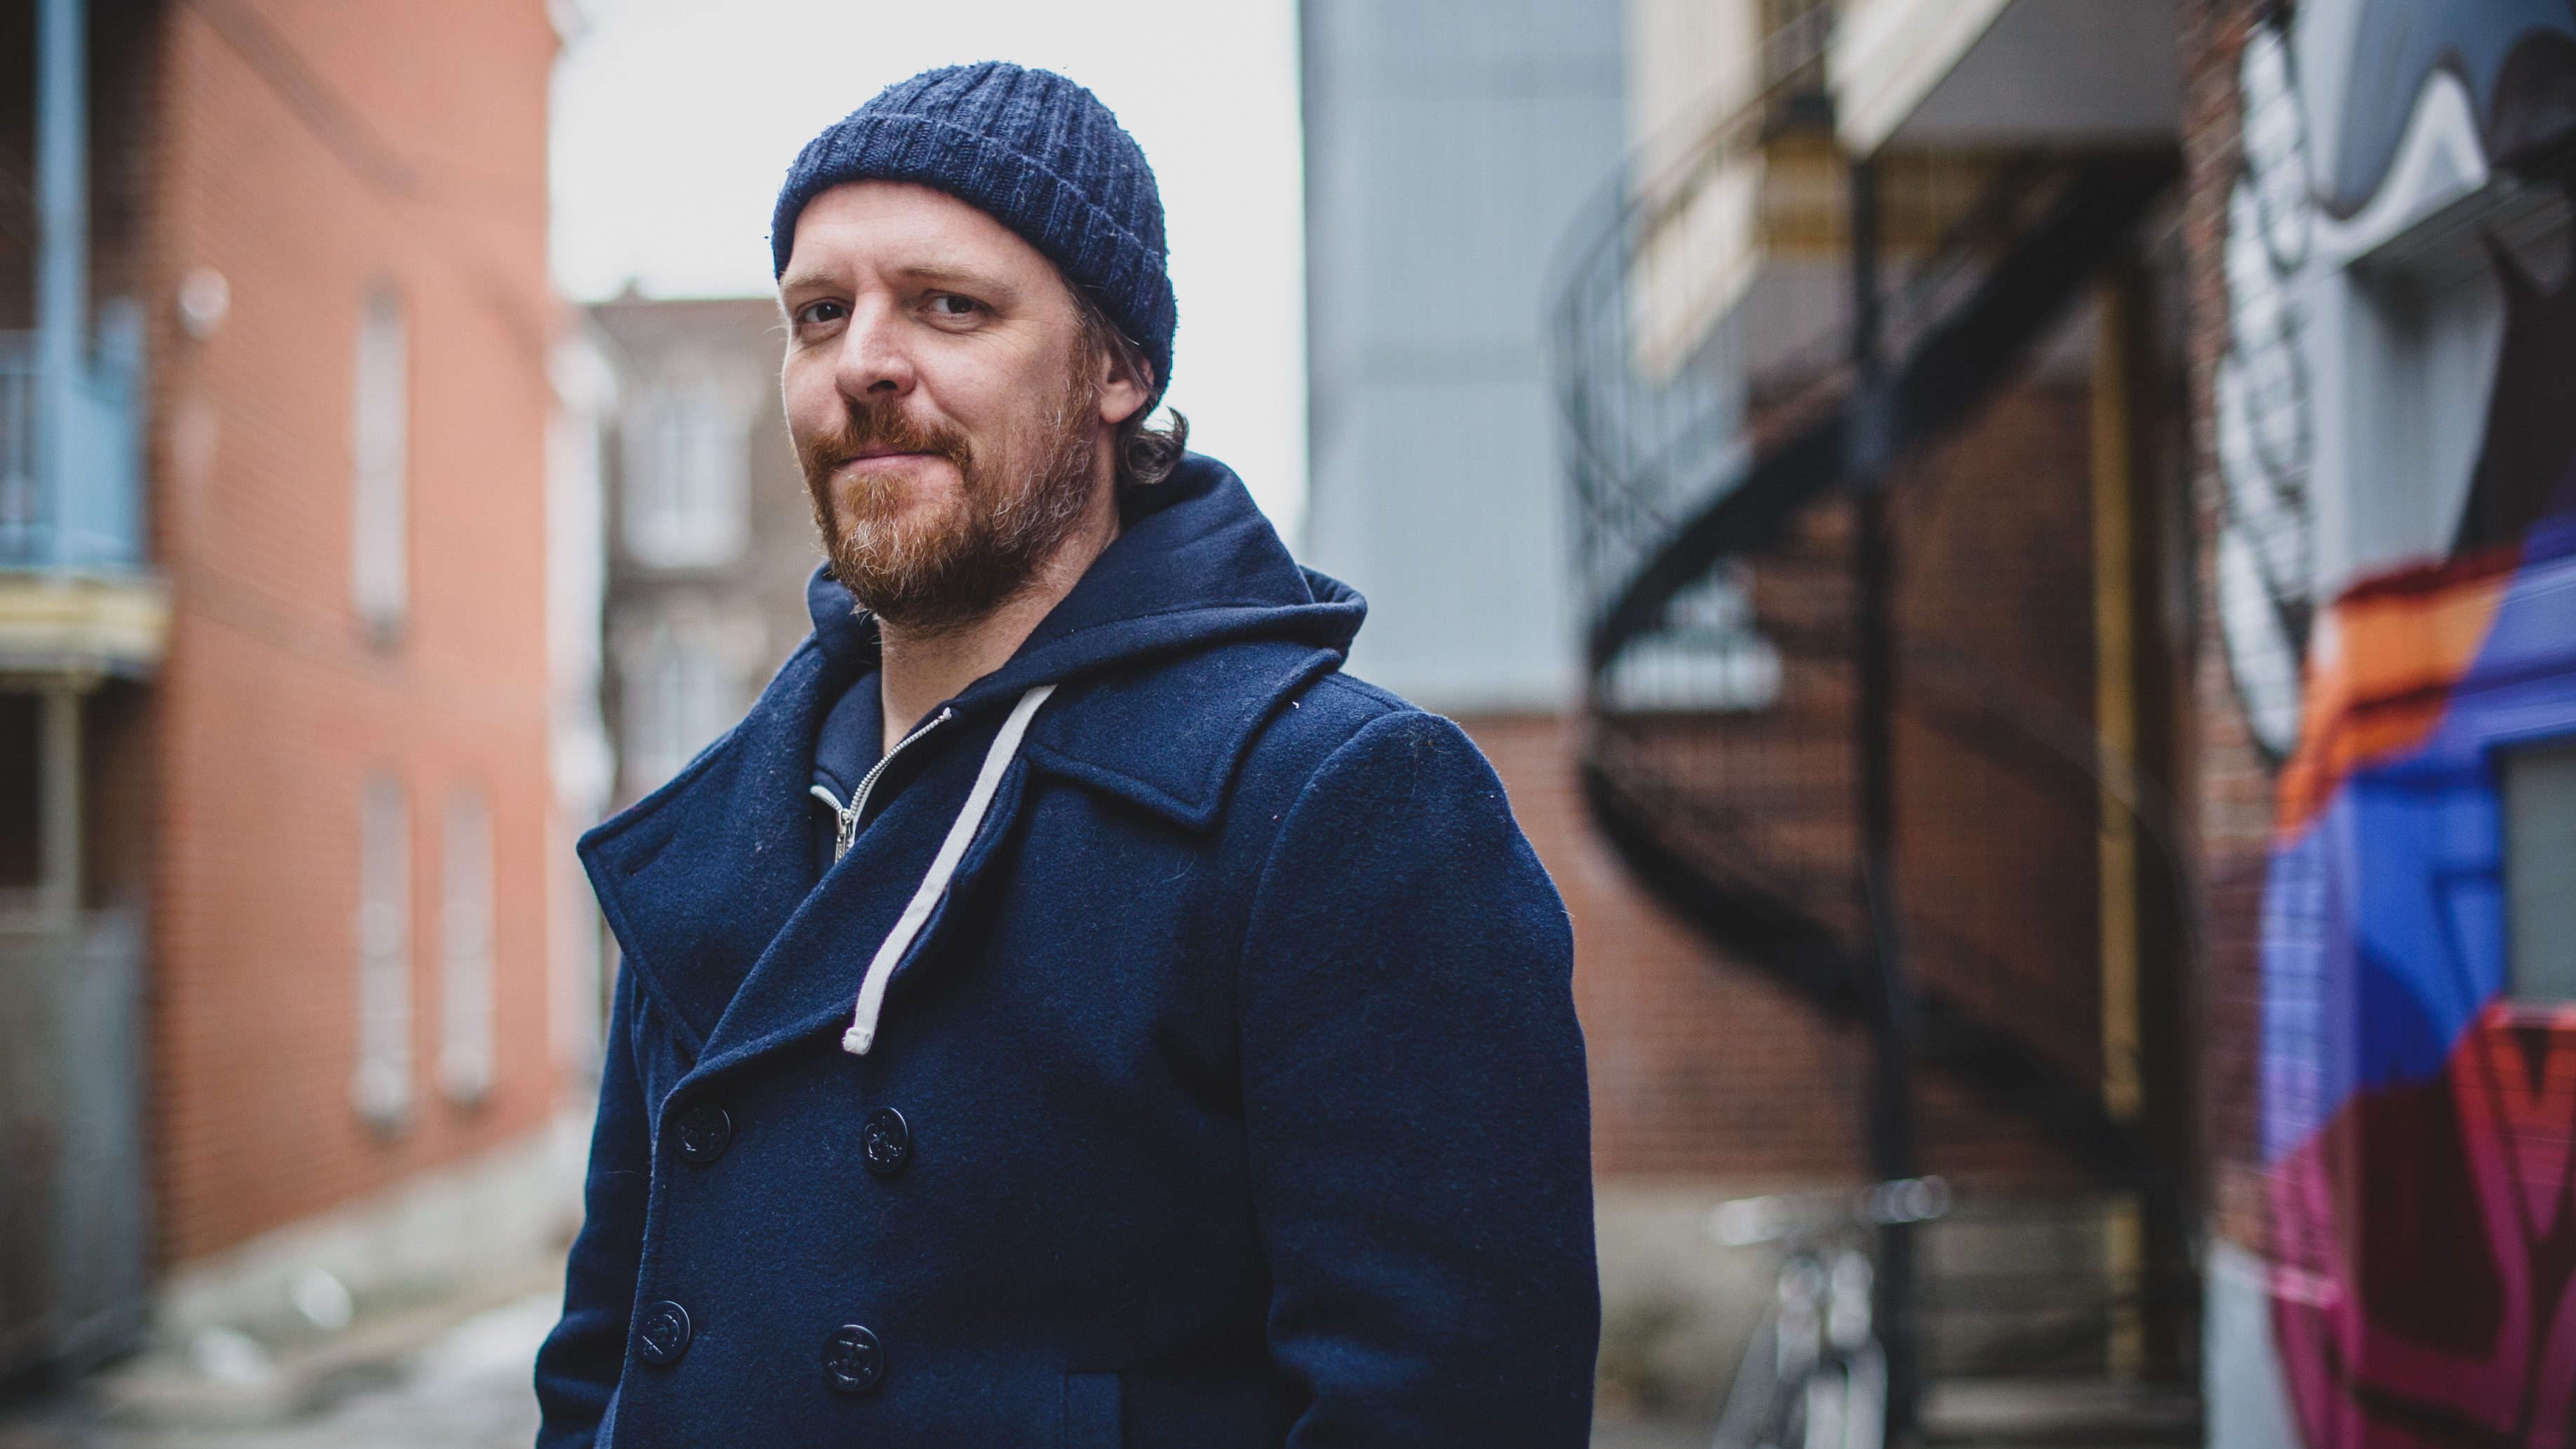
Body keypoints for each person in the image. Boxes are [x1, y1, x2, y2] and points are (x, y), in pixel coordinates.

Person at [532, 62, 1598, 1448]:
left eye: (948, 305)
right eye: (819, 313)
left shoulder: (1339, 807)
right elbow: (602, 1366)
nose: (864, 359)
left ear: (1119, 369)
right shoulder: (717, 832)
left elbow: (1451, 1410)